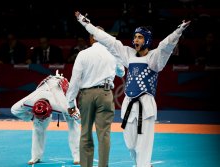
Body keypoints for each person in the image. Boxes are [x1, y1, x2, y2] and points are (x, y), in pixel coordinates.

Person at [74, 11, 190, 167]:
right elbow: (106, 39)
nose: (135, 39)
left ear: (147, 40)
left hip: (146, 105)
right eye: (135, 36)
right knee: (130, 144)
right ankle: (139, 164)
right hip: (129, 105)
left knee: (143, 146)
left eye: (140, 37)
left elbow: (166, 45)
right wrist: (85, 22)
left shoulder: (155, 58)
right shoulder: (128, 54)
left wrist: (179, 30)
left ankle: (143, 165)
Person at [66, 26, 125, 167]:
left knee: (85, 132)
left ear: (91, 38)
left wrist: (70, 103)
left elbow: (74, 80)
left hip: (86, 95)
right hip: (105, 94)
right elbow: (121, 73)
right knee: (104, 134)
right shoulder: (113, 53)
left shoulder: (83, 54)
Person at [11, 71, 81, 165]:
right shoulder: (30, 100)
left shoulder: (63, 107)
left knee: (73, 123)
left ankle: (77, 156)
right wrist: (32, 117)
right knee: (37, 125)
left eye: (44, 117)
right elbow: (14, 110)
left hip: (62, 90)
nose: (42, 119)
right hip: (45, 88)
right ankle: (36, 157)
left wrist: (77, 116)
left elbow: (79, 119)